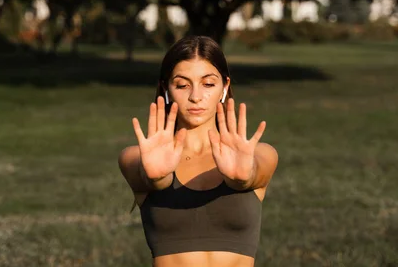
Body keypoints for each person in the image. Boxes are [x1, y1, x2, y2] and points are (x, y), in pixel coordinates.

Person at [118, 35, 279, 267]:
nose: (195, 96)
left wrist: (244, 177)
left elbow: (251, 175)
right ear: (166, 88)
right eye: (182, 85)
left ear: (225, 86)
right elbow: (150, 177)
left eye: (208, 84)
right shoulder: (136, 157)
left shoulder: (260, 154)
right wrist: (157, 176)